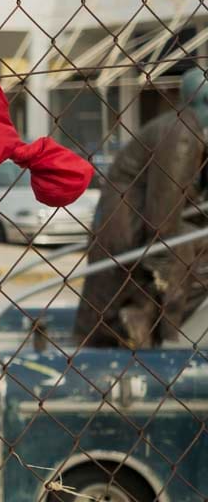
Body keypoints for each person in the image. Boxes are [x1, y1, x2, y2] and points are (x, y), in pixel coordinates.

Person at [75, 68, 208, 348]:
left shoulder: (186, 131)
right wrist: (160, 289)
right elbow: (163, 220)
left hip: (127, 239)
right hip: (129, 242)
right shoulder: (182, 134)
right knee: (190, 246)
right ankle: (146, 322)